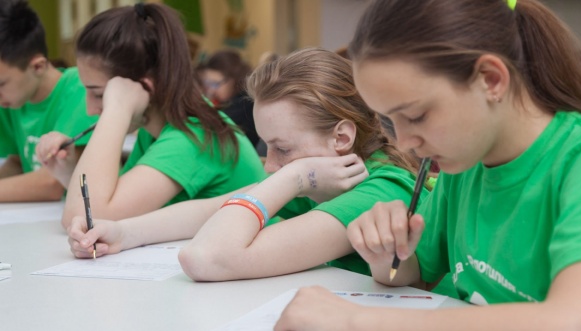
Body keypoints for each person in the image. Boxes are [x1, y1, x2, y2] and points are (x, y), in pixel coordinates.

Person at [274, 0, 581, 331]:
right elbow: (413, 275)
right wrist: (385, 250)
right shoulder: (467, 161)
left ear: (491, 80)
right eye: (391, 122)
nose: (406, 143)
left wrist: (349, 323)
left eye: (416, 116)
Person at [67, 48, 423, 282]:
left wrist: (296, 176)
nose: (270, 165)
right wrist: (124, 232)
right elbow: (208, 210)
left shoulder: (378, 191)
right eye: (268, 147)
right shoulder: (327, 176)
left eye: (282, 149)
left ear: (341, 138)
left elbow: (206, 258)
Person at [36, 3, 265, 228]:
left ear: (144, 86)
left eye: (100, 94)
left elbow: (87, 220)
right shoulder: (156, 130)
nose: (90, 110)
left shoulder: (193, 137)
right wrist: (68, 172)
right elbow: (109, 204)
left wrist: (116, 110)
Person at [0, 0, 96, 202]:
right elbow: (18, 162)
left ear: (38, 66)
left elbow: (53, 183)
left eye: (1, 84)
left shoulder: (81, 89)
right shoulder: (13, 99)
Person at [197, 49, 260, 148]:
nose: (212, 90)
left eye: (215, 84)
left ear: (232, 80)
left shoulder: (243, 105)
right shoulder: (238, 100)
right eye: (208, 84)